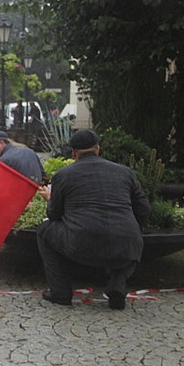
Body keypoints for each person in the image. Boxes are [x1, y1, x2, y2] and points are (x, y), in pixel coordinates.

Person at [35, 129, 151, 310]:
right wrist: (134, 230)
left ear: (73, 153)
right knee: (131, 239)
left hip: (82, 243)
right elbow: (144, 209)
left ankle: (61, 292)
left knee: (43, 231)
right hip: (126, 242)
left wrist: (51, 199)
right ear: (98, 148)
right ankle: (117, 285)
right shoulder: (125, 172)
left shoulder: (63, 175)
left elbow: (54, 215)